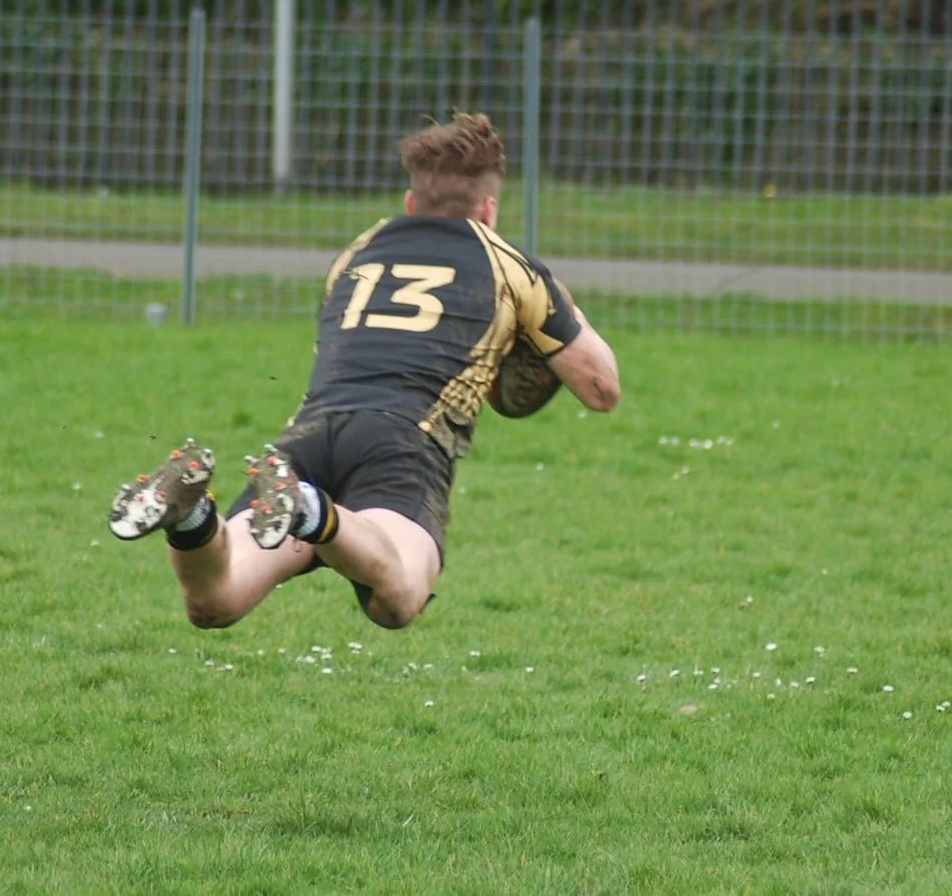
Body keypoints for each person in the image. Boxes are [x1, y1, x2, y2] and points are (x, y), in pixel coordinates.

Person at [107, 111, 621, 630]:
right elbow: (601, 388)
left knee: (217, 601)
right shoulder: (510, 265)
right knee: (396, 596)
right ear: (488, 210)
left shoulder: (357, 252)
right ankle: (309, 508)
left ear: (409, 202)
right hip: (403, 442)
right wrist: (558, 311)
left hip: (308, 434)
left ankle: (191, 519)